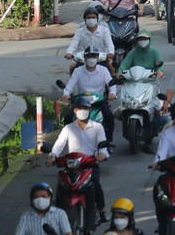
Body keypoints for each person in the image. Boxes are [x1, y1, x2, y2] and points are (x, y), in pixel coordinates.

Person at [50, 95, 109, 224]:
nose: (83, 110)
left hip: (90, 164)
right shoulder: (68, 128)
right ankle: (57, 214)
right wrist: (53, 155)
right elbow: (60, 143)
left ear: (90, 110)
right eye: (80, 108)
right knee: (61, 186)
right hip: (72, 165)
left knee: (95, 184)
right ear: (75, 111)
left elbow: (102, 143)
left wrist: (102, 154)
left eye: (86, 108)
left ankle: (102, 210)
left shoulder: (97, 127)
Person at [61, 47, 115, 140]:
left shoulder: (103, 70)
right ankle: (70, 139)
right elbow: (70, 86)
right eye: (89, 56)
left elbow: (111, 83)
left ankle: (108, 141)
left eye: (93, 56)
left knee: (109, 116)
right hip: (82, 102)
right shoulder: (78, 71)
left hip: (99, 102)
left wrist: (112, 93)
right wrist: (66, 94)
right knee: (68, 117)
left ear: (98, 57)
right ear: (84, 58)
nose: (91, 58)